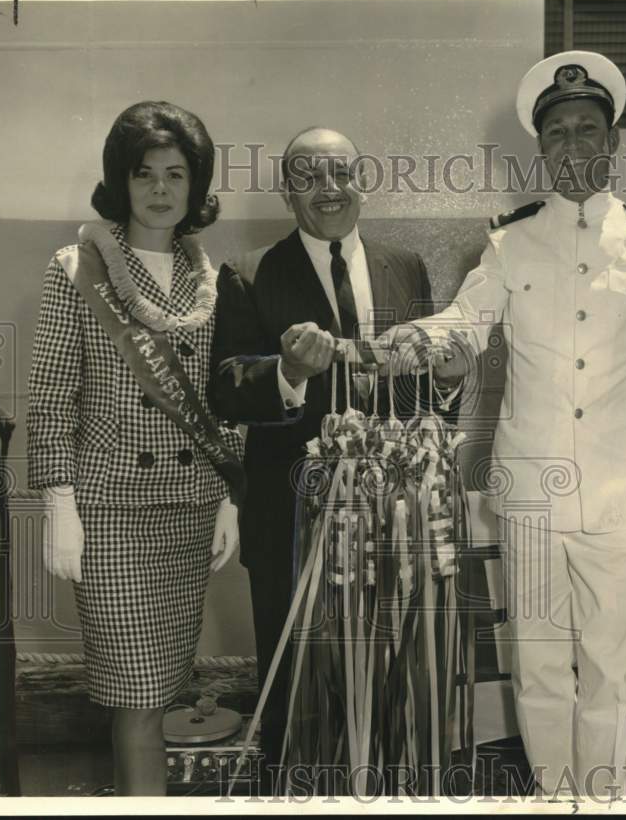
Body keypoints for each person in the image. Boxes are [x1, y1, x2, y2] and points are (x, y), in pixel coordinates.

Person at [380, 52, 626, 799]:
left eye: (588, 130)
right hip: (533, 491)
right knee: (542, 662)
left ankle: (606, 800)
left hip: (619, 490)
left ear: (613, 144)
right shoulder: (508, 241)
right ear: (541, 148)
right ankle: (556, 798)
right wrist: (417, 342)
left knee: (614, 669)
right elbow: (467, 321)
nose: (573, 146)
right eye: (558, 133)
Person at [207, 126, 459, 787]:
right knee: (300, 691)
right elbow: (225, 390)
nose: (330, 188)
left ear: (362, 183)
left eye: (342, 173)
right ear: (288, 191)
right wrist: (286, 372)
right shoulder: (248, 273)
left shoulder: (405, 267)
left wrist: (451, 378)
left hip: (395, 526)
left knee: (395, 682)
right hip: (295, 525)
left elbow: (422, 397)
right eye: (310, 176)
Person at [27, 101, 244, 796]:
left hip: (189, 508)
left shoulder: (211, 276)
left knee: (163, 689)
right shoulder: (78, 266)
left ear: (197, 184)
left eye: (176, 174)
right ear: (119, 182)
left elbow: (226, 397)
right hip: (112, 512)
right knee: (136, 697)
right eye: (143, 173)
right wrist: (59, 501)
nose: (159, 188)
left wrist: (230, 495)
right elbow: (52, 394)